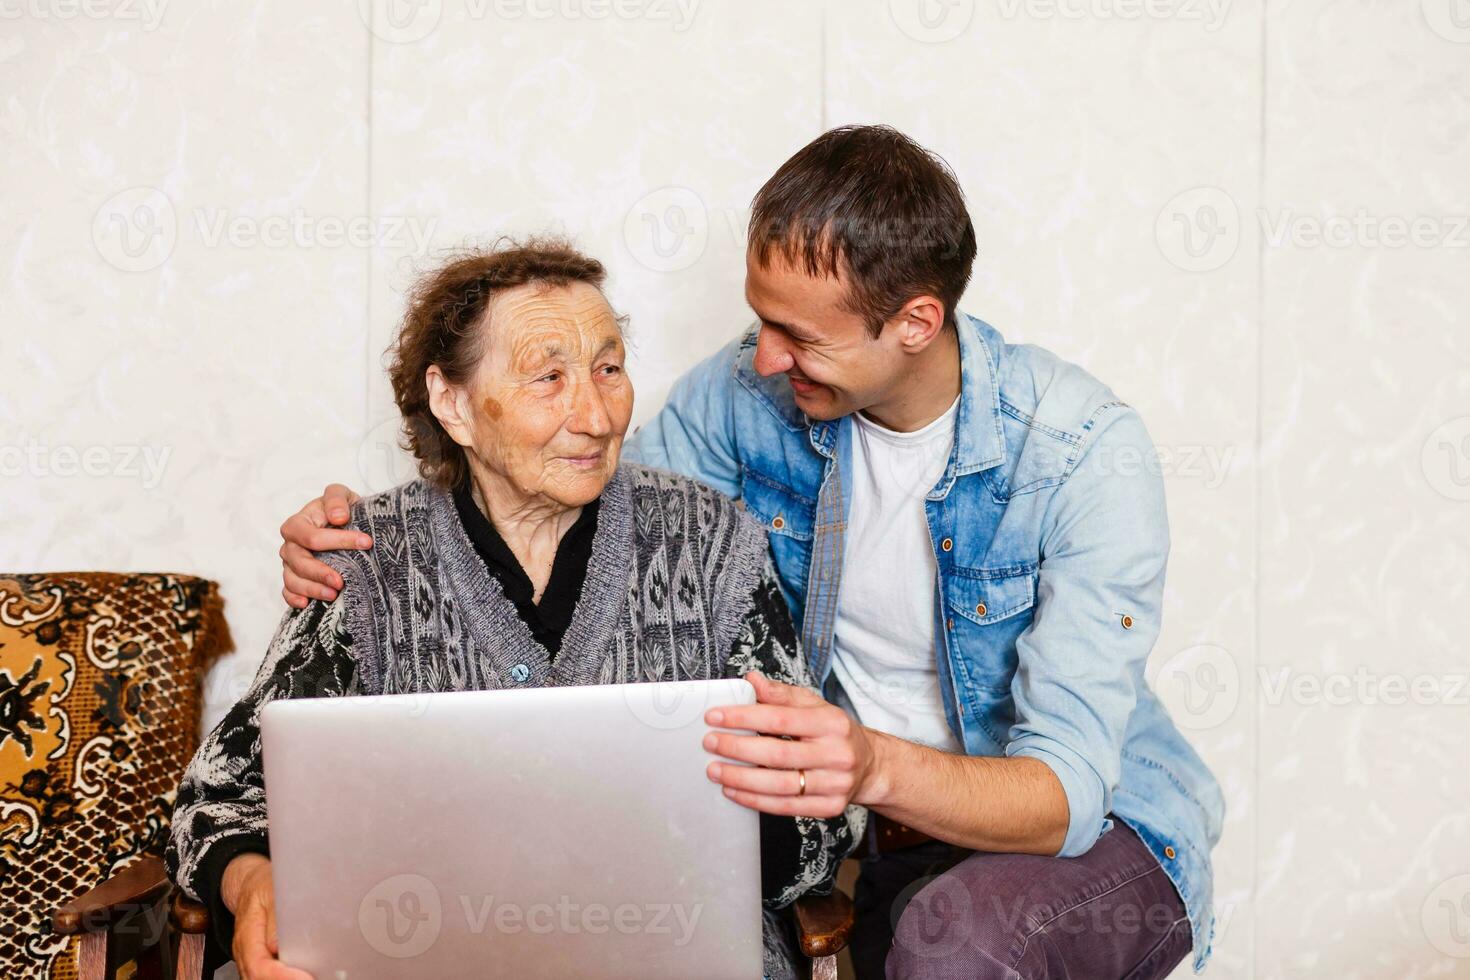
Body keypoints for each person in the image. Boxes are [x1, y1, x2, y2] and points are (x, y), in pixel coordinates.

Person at [278, 126, 1226, 979]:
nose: (763, 357)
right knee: (907, 932)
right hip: (888, 832)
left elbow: (1064, 795)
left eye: (798, 336)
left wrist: (866, 766)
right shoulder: (745, 396)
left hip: (1096, 830)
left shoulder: (1081, 452)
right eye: (759, 317)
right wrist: (370, 539)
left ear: (914, 325)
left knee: (954, 941)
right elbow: (583, 499)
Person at [166, 238, 862, 980]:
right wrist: (252, 883)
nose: (595, 415)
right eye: (548, 378)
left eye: (608, 369)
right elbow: (215, 799)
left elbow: (824, 815)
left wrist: (737, 835)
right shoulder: (365, 563)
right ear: (454, 404)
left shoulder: (714, 545)